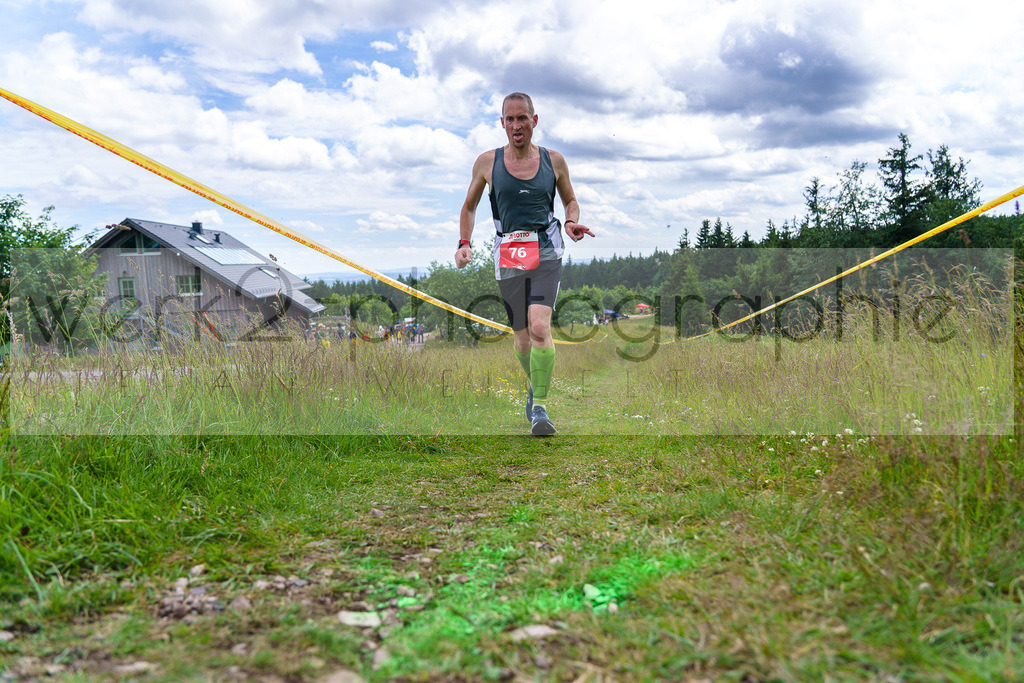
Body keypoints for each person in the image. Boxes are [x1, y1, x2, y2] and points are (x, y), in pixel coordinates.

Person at [455, 92, 594, 436]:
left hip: (546, 249)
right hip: (509, 254)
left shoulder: (554, 160)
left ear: (534, 120)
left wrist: (571, 221)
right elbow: (469, 207)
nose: (516, 125)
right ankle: (535, 386)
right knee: (521, 339)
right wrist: (464, 243)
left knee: (539, 327)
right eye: (510, 119)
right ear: (502, 123)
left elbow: (570, 200)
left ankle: (540, 409)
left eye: (522, 118)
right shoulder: (487, 162)